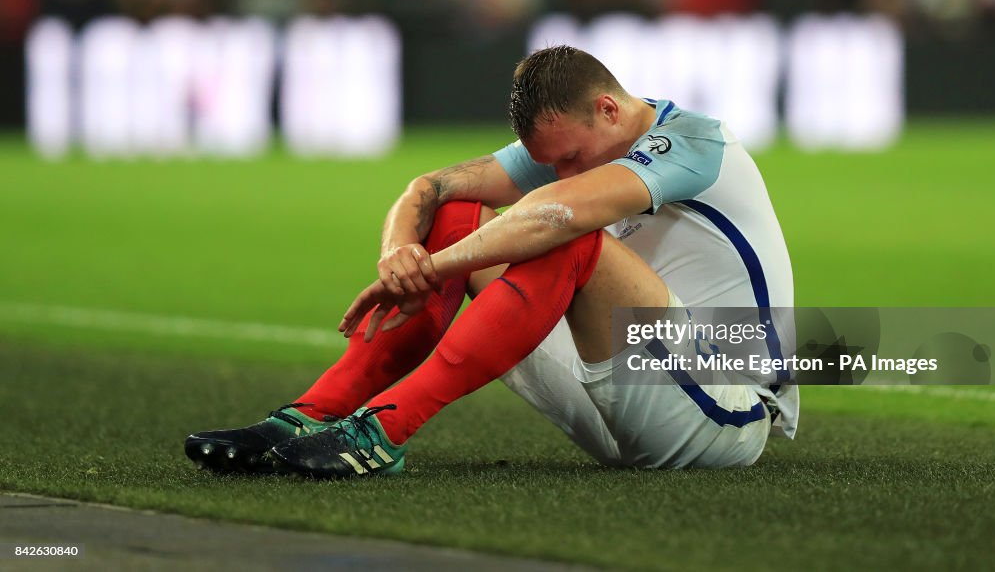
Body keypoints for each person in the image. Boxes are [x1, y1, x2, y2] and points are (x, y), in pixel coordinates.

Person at [184, 45, 797, 477]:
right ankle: (309, 416)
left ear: (609, 109)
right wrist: (399, 253)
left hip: (727, 407)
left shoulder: (693, 142)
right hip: (621, 385)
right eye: (554, 161)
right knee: (464, 210)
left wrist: (439, 268)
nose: (565, 170)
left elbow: (560, 211)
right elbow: (431, 187)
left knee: (565, 233)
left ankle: (384, 429)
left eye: (573, 157)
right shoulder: (580, 141)